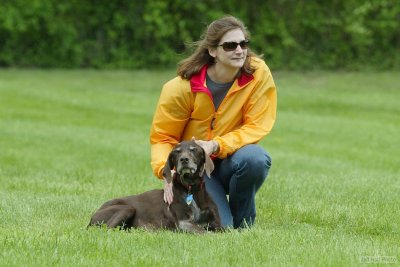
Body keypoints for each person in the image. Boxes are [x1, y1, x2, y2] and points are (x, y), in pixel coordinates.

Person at [149, 15, 277, 229]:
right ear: (212, 51)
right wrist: (166, 171)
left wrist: (217, 145)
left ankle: (244, 221)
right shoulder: (180, 88)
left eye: (243, 43)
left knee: (255, 158)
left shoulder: (258, 73)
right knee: (219, 227)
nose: (239, 50)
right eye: (230, 45)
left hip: (231, 160)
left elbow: (257, 125)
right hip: (197, 171)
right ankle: (229, 222)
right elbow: (163, 137)